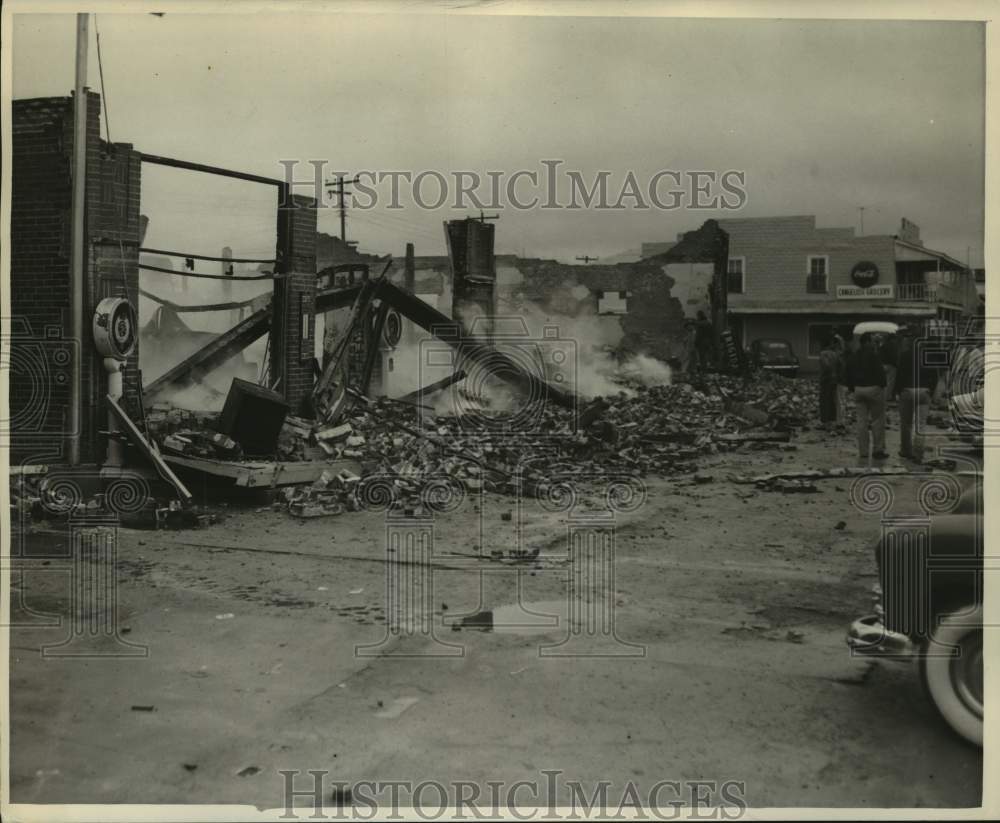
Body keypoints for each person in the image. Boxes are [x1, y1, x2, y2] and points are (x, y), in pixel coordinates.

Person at [895, 325, 938, 462]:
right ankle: (918, 453)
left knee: (906, 423)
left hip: (907, 391)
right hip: (924, 391)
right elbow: (934, 376)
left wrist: (897, 391)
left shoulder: (905, 355)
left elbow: (899, 375)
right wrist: (930, 390)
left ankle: (905, 450)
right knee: (920, 425)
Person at [846, 333, 888, 461]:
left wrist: (852, 388)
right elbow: (881, 373)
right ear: (868, 342)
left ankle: (863, 452)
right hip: (873, 389)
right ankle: (877, 450)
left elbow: (847, 371)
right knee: (877, 420)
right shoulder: (874, 355)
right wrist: (882, 386)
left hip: (858, 389)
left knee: (861, 422)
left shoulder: (854, 356)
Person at [817, 334, 839, 427]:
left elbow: (826, 366)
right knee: (831, 399)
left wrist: (825, 374)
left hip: (826, 379)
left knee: (824, 400)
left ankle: (824, 421)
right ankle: (832, 419)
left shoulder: (823, 354)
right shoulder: (834, 354)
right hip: (834, 379)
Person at [880, 331, 900, 401]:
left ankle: (883, 396)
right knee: (890, 383)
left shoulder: (883, 345)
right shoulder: (893, 346)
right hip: (891, 366)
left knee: (884, 382)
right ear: (893, 339)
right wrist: (896, 365)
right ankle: (888, 397)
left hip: (883, 365)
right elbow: (893, 357)